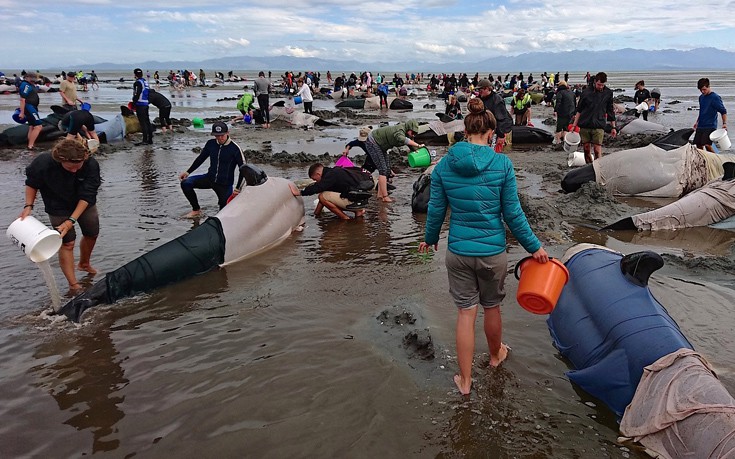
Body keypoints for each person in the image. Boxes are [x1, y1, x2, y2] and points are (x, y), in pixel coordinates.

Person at [418, 98, 548, 396]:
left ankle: (464, 382)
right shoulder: (502, 163)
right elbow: (513, 214)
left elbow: (436, 209)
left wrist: (430, 238)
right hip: (492, 253)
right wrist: (534, 247)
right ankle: (495, 355)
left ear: (465, 130)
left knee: (465, 313)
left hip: (459, 252)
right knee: (492, 307)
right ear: (490, 132)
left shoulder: (444, 166)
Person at [21, 138, 101, 291]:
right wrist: (28, 205)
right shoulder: (43, 163)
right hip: (56, 204)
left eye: (78, 167)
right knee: (67, 242)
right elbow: (32, 183)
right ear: (60, 159)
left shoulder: (91, 164)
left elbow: (88, 194)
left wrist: (71, 220)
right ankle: (73, 285)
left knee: (92, 234)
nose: (74, 171)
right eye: (70, 168)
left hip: (84, 202)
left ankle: (84, 264)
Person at [179, 122, 244, 218]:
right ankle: (196, 210)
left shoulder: (235, 148)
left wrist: (238, 188)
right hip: (210, 178)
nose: (220, 138)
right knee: (186, 183)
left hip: (224, 185)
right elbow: (200, 158)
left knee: (223, 215)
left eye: (222, 135)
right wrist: (188, 172)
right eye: (217, 136)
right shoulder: (211, 144)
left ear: (227, 133)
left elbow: (243, 169)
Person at [365, 120, 423, 203]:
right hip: (373, 141)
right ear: (409, 128)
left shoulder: (407, 134)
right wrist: (418, 144)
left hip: (381, 145)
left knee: (387, 170)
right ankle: (385, 197)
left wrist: (421, 155)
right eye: (413, 132)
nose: (413, 135)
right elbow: (402, 139)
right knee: (383, 170)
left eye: (415, 133)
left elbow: (412, 147)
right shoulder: (400, 130)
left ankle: (380, 195)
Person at [570, 72, 616, 163]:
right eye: (599, 84)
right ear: (595, 82)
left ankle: (598, 168)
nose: (601, 87)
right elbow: (579, 109)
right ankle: (589, 167)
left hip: (599, 125)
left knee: (597, 150)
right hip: (585, 124)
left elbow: (610, 110)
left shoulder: (608, 93)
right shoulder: (586, 92)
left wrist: (613, 127)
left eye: (603, 85)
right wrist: (574, 125)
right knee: (586, 150)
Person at [300, 163, 372, 220]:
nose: (316, 181)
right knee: (324, 195)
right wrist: (316, 214)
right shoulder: (335, 172)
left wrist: (301, 193)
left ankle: (345, 218)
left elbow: (318, 188)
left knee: (322, 196)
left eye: (315, 179)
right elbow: (322, 193)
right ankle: (358, 211)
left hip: (354, 201)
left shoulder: (331, 175)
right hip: (362, 200)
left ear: (318, 174)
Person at [475, 78, 513, 151]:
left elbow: (502, 118)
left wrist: (501, 135)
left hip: (496, 132)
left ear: (487, 89)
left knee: (494, 153)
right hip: (483, 131)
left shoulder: (497, 100)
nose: (479, 92)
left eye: (480, 90)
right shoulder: (480, 99)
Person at [693, 78, 728, 152]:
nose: (702, 91)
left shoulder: (715, 98)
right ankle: (703, 161)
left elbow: (723, 111)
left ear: (709, 86)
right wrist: (697, 122)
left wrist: (724, 123)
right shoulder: (701, 97)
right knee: (698, 144)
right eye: (700, 90)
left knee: (707, 144)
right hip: (701, 125)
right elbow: (702, 111)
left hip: (710, 125)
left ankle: (716, 159)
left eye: (704, 89)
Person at [18, 72, 43, 150]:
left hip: (33, 107)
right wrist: (22, 113)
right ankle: (30, 146)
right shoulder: (25, 85)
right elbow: (22, 99)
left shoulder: (30, 85)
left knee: (32, 126)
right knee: (38, 126)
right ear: (27, 77)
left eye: (34, 79)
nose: (33, 80)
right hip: (29, 107)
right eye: (31, 79)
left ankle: (30, 144)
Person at [132, 68, 153, 145]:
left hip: (140, 104)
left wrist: (134, 103)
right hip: (146, 104)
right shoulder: (145, 82)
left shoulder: (138, 83)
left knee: (142, 123)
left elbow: (137, 94)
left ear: (135, 75)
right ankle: (150, 139)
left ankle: (144, 140)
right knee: (147, 122)